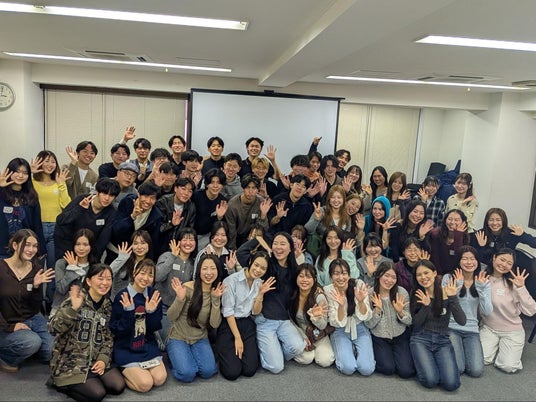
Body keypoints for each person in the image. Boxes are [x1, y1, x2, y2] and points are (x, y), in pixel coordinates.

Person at [49, 263, 126, 401]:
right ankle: (61, 383)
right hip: (72, 361)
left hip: (94, 359)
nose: (105, 283)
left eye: (108, 279)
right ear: (89, 281)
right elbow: (53, 328)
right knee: (97, 394)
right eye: (100, 278)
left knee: (117, 386)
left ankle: (90, 377)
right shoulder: (76, 300)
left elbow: (108, 338)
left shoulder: (107, 305)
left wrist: (103, 360)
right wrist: (73, 309)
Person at [248, 232, 306, 374]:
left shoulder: (294, 269)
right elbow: (242, 254)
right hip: (265, 320)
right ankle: (267, 351)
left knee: (299, 347)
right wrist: (258, 239)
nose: (278, 247)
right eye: (275, 243)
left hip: (284, 321)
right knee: (276, 367)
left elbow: (306, 283)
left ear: (290, 248)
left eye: (283, 244)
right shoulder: (267, 265)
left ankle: (274, 349)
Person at [0, 229, 54, 372]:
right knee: (32, 342)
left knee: (52, 350)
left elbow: (35, 306)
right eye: (27, 245)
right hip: (5, 321)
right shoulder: (1, 268)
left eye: (35, 246)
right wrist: (10, 327)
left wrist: (36, 287)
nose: (31, 250)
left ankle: (24, 347)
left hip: (31, 317)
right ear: (15, 245)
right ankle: (5, 357)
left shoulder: (36, 269)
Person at [110, 259, 167, 393]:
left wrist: (151, 312)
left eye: (150, 275)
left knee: (159, 379)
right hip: (126, 346)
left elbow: (154, 327)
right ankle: (123, 370)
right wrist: (129, 313)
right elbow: (117, 331)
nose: (146, 278)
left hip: (147, 344)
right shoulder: (122, 296)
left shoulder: (154, 295)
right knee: (145, 384)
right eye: (142, 273)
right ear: (134, 273)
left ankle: (137, 372)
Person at [166, 254, 225, 383]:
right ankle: (176, 359)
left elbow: (215, 324)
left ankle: (185, 359)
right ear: (199, 271)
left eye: (212, 268)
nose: (208, 273)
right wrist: (180, 299)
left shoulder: (216, 291)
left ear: (218, 271)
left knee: (208, 371)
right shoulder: (188, 287)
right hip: (178, 336)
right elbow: (170, 316)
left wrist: (215, 300)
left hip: (200, 338)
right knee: (187, 375)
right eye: (205, 268)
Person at [216, 251, 274, 380]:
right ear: (250, 262)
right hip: (229, 322)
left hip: (247, 323)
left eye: (263, 268)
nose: (258, 270)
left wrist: (261, 294)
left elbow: (255, 312)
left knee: (250, 370)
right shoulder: (231, 280)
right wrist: (237, 338)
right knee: (232, 372)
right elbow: (228, 311)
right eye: (256, 265)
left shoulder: (259, 283)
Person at [409, 259, 466, 391]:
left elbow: (462, 321)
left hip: (442, 340)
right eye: (419, 275)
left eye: (426, 273)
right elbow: (415, 324)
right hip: (420, 338)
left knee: (452, 384)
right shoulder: (417, 293)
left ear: (434, 273)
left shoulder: (447, 291)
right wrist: (426, 306)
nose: (423, 277)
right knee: (430, 381)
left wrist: (453, 298)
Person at [480, 248, 536, 373]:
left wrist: (521, 288)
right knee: (482, 359)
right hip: (489, 328)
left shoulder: (514, 282)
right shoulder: (483, 277)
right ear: (494, 258)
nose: (504, 264)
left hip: (512, 331)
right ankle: (497, 347)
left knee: (508, 366)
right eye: (502, 259)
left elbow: (531, 310)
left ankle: (504, 349)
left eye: (509, 263)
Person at [441, 246, 492, 377]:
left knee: (476, 371)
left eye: (472, 259)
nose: (469, 262)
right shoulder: (448, 278)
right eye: (465, 259)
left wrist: (481, 289)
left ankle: (461, 349)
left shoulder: (483, 281)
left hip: (472, 329)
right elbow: (443, 306)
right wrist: (457, 287)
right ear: (458, 261)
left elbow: (487, 311)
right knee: (458, 368)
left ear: (477, 261)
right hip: (451, 327)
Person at [324, 258, 375, 376]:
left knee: (366, 369)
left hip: (359, 327)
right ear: (331, 276)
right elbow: (335, 322)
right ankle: (348, 350)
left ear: (349, 274)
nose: (341, 277)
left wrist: (361, 302)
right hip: (340, 330)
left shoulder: (358, 284)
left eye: (344, 273)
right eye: (336, 274)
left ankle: (353, 350)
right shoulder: (328, 290)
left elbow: (366, 316)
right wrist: (341, 306)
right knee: (348, 368)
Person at [365, 261, 414, 378]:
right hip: (379, 336)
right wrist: (377, 310)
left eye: (393, 277)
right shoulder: (370, 294)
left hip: (400, 335)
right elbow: (368, 324)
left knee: (406, 372)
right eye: (386, 275)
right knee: (388, 368)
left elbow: (409, 321)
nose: (389, 280)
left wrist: (400, 312)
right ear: (379, 275)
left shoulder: (401, 292)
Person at [54, 177, 120, 261]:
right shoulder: (82, 199)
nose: (107, 198)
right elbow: (61, 220)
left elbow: (103, 240)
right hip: (66, 244)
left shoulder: (111, 212)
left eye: (111, 195)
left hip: (87, 249)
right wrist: (80, 208)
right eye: (104, 193)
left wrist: (94, 260)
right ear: (97, 192)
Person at [31, 150, 71, 270]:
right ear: (39, 162)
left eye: (53, 161)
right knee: (36, 264)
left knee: (53, 266)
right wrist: (30, 172)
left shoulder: (58, 182)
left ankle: (52, 284)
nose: (50, 164)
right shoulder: (32, 183)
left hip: (55, 226)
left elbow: (67, 204)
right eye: (47, 161)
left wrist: (62, 184)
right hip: (37, 226)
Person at [155, 228, 197, 342]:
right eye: (184, 239)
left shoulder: (193, 263)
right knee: (167, 340)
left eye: (191, 239)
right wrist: (173, 257)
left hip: (182, 310)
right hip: (163, 307)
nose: (188, 243)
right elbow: (157, 276)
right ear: (178, 241)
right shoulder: (167, 256)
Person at [289, 263, 335, 368]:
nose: (304, 280)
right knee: (306, 359)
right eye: (301, 276)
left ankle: (316, 351)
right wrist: (302, 336)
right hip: (300, 331)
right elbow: (290, 320)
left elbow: (323, 326)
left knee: (326, 361)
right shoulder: (292, 295)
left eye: (308, 277)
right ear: (296, 278)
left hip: (318, 333)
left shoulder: (319, 297)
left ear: (314, 280)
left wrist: (316, 317)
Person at [0, 158, 45, 258]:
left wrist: (41, 248)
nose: (20, 176)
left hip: (25, 249)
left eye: (25, 173)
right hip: (2, 249)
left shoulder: (31, 195)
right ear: (9, 172)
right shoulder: (2, 193)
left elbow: (37, 224)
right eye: (17, 171)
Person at [51, 228, 99, 315]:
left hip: (85, 311)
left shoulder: (95, 266)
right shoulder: (61, 263)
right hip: (60, 309)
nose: (81, 248)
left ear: (91, 246)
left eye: (85, 244)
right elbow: (61, 289)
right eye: (78, 244)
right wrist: (72, 269)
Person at [225, 174, 271, 250]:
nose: (250, 191)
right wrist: (232, 250)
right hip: (238, 236)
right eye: (247, 187)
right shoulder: (232, 205)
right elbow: (231, 231)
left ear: (257, 189)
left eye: (254, 188)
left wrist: (263, 215)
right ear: (242, 188)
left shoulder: (261, 202)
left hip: (253, 235)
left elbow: (265, 229)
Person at [156, 177, 196, 254]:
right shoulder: (163, 202)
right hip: (161, 245)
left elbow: (189, 230)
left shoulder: (191, 206)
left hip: (180, 246)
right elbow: (158, 228)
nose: (186, 193)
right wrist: (171, 224)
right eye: (183, 189)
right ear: (175, 189)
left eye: (190, 191)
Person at [110, 230, 153, 298]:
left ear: (149, 245)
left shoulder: (151, 265)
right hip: (118, 300)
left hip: (139, 302)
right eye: (135, 243)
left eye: (143, 243)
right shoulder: (124, 260)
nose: (139, 247)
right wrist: (121, 259)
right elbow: (109, 273)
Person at [193, 168, 227, 250]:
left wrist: (219, 217)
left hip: (209, 237)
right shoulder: (196, 196)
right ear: (207, 184)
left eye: (218, 183)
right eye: (212, 182)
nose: (215, 186)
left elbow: (220, 227)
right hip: (192, 234)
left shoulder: (223, 201)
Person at [429, 209, 470, 276]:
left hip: (456, 273)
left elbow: (459, 257)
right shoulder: (435, 234)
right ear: (445, 220)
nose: (452, 222)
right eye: (450, 219)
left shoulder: (464, 237)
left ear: (463, 223)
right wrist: (439, 274)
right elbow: (434, 256)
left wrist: (458, 235)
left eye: (456, 220)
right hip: (437, 271)